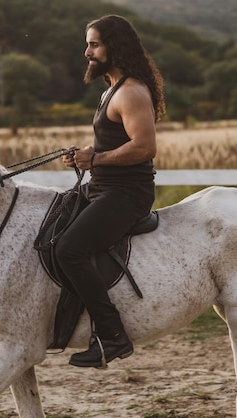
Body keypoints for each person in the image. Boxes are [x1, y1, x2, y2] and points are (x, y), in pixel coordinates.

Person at [57, 14, 165, 368]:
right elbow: (113, 144)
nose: (86, 51)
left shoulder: (132, 91)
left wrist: (97, 157)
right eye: (88, 43)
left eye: (94, 44)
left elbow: (144, 147)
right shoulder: (111, 90)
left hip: (126, 196)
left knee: (69, 249)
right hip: (103, 187)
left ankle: (113, 335)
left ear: (113, 47)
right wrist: (85, 157)